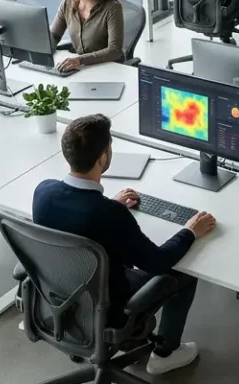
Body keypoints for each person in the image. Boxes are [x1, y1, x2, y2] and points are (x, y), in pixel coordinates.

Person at [33, 114, 217, 375]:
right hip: (109, 306)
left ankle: (135, 342)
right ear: (102, 158)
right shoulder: (110, 215)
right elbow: (157, 262)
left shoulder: (44, 191)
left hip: (62, 295)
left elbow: (76, 220)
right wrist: (189, 231)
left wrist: (109, 204)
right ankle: (166, 353)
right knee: (183, 271)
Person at [50, 0, 126, 71]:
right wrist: (44, 52)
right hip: (83, 69)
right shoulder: (68, 2)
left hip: (108, 69)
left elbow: (114, 50)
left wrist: (79, 60)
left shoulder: (112, 8)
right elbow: (54, 35)